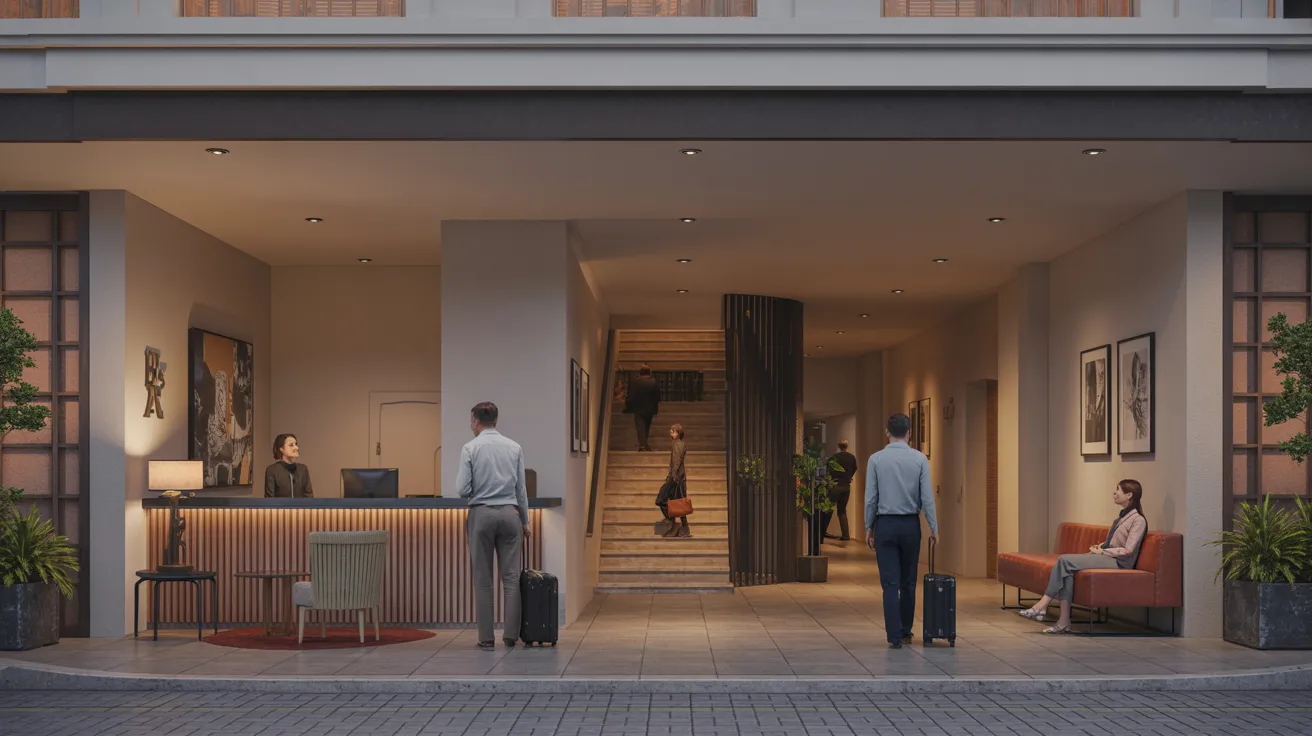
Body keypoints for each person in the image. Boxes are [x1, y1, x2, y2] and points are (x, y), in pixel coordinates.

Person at [1017, 480, 1147, 634]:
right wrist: (1101, 547)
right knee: (1067, 570)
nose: (1114, 494)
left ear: (1129, 495)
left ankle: (1042, 605)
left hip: (1119, 563)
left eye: (1117, 490)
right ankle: (1063, 622)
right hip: (1108, 557)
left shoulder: (1138, 520)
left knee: (1064, 560)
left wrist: (1103, 552)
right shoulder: (1121, 517)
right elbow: (1112, 542)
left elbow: (1128, 550)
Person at [455, 402, 530, 649]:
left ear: (476, 420)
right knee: (511, 578)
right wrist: (525, 521)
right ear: (495, 420)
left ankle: (486, 638)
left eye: (470, 420)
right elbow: (521, 489)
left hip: (481, 515)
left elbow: (462, 489)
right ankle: (510, 636)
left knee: (483, 579)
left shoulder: (470, 448)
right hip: (510, 515)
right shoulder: (514, 447)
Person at [865, 413, 938, 649]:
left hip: (885, 525)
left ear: (887, 433)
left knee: (889, 584)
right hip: (910, 525)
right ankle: (907, 632)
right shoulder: (919, 459)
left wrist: (869, 526)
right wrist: (934, 527)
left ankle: (894, 636)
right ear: (909, 433)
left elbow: (871, 498)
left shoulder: (875, 460)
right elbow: (927, 497)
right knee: (908, 582)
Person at [656, 423, 690, 538]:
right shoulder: (677, 444)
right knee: (676, 502)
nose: (670, 432)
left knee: (663, 500)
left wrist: (673, 477)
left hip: (676, 479)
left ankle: (679, 525)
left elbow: (677, 462)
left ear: (678, 433)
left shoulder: (678, 445)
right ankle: (677, 525)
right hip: (676, 478)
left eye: (673, 431)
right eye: (671, 430)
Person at [823, 439, 859, 542]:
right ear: (847, 447)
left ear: (838, 446)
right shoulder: (852, 457)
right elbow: (854, 468)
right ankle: (846, 535)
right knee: (842, 511)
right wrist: (848, 477)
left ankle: (822, 533)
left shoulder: (834, 458)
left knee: (828, 510)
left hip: (835, 485)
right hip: (846, 487)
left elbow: (828, 470)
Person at [264, 433, 313, 498]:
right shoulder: (272, 470)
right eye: (291, 445)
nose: (296, 448)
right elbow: (269, 500)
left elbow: (309, 497)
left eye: (296, 444)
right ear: (282, 449)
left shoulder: (303, 469)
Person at [625, 365, 661, 451]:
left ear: (640, 373)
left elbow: (630, 397)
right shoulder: (654, 383)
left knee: (641, 427)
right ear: (649, 373)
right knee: (647, 427)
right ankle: (645, 444)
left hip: (639, 408)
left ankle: (643, 445)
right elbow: (658, 397)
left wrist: (629, 406)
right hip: (650, 409)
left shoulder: (635, 383)